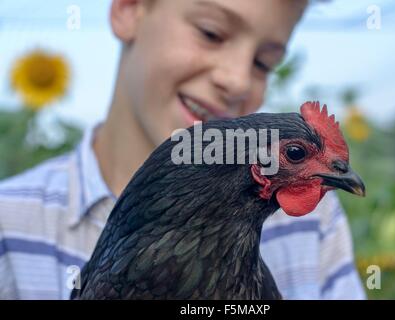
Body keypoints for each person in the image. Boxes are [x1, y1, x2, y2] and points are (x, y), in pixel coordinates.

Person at [0, 0, 365, 299]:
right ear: (128, 8)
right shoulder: (9, 225)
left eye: (262, 63)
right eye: (211, 33)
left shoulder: (316, 226)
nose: (236, 80)